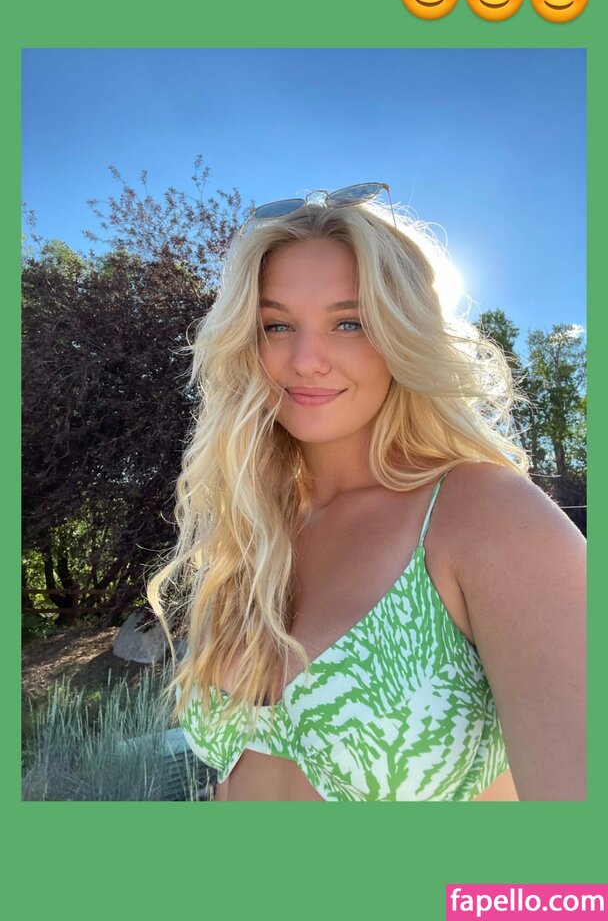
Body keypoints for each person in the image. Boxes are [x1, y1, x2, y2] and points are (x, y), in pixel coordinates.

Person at [147, 183, 586, 802]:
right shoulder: (256, 535)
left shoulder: (484, 515)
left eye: (349, 323)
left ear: (404, 334)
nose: (307, 360)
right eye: (276, 325)